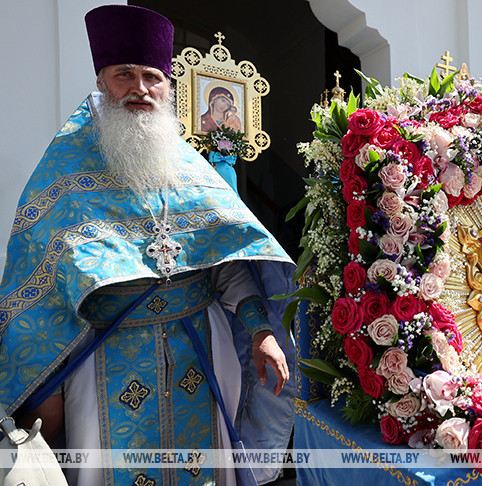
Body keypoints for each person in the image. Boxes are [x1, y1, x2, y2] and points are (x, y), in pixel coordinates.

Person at [0, 6, 295, 484]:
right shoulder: (62, 172)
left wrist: (261, 330)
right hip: (104, 362)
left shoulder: (190, 167)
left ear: (167, 86)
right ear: (102, 81)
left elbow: (228, 259)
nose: (140, 89)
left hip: (197, 353)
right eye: (125, 75)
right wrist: (39, 388)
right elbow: (38, 285)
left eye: (152, 77)